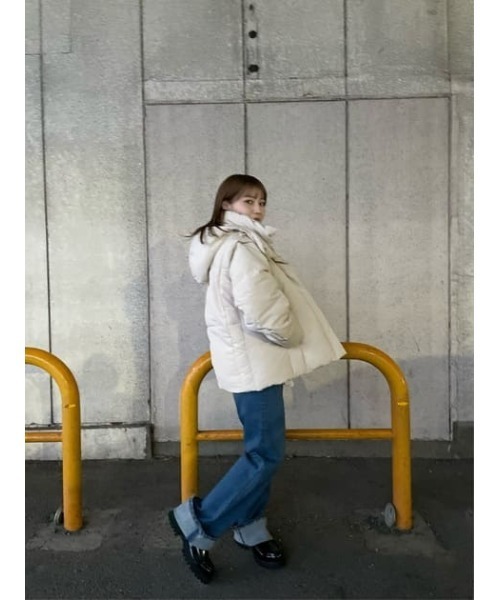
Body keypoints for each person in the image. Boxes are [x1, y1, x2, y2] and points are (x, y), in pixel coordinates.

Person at [168, 174, 346, 583]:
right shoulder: (241, 247)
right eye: (249, 201)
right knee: (265, 454)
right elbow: (262, 310)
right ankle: (199, 525)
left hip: (255, 363)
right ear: (226, 204)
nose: (259, 209)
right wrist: (292, 335)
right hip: (256, 365)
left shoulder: (235, 243)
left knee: (260, 450)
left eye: (262, 202)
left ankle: (250, 527)